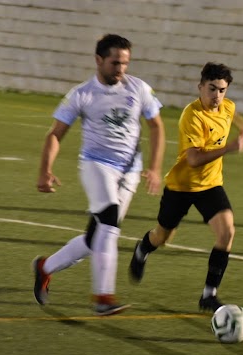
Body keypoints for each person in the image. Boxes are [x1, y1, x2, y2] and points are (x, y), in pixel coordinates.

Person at [33, 34, 165, 316]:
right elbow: (56, 134)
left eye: (125, 63)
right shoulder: (82, 94)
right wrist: (45, 171)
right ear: (98, 60)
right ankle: (103, 297)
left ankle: (45, 267)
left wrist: (154, 167)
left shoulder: (139, 89)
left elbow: (156, 127)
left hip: (129, 170)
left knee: (96, 240)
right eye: (115, 63)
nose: (121, 69)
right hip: (96, 165)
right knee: (109, 224)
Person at [129, 62, 243, 313]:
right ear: (200, 87)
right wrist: (230, 147)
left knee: (227, 232)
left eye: (222, 90)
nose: (217, 96)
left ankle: (209, 295)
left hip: (210, 185)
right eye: (212, 89)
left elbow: (231, 113)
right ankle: (144, 247)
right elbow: (194, 159)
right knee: (162, 237)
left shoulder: (226, 106)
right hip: (181, 186)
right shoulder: (192, 115)